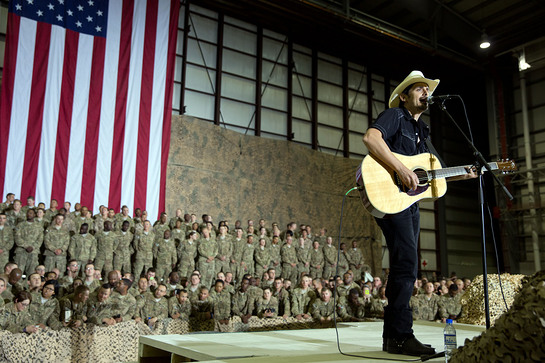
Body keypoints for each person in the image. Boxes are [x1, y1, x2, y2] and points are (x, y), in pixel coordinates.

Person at [362, 71, 476, 356]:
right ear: (404, 96)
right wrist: (400, 169)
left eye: (428, 89)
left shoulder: (422, 130)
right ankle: (401, 336)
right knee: (407, 264)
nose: (426, 92)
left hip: (408, 203)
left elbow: (426, 173)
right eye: (419, 89)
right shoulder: (394, 116)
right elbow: (371, 139)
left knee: (407, 265)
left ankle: (394, 339)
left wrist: (460, 175)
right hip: (391, 196)